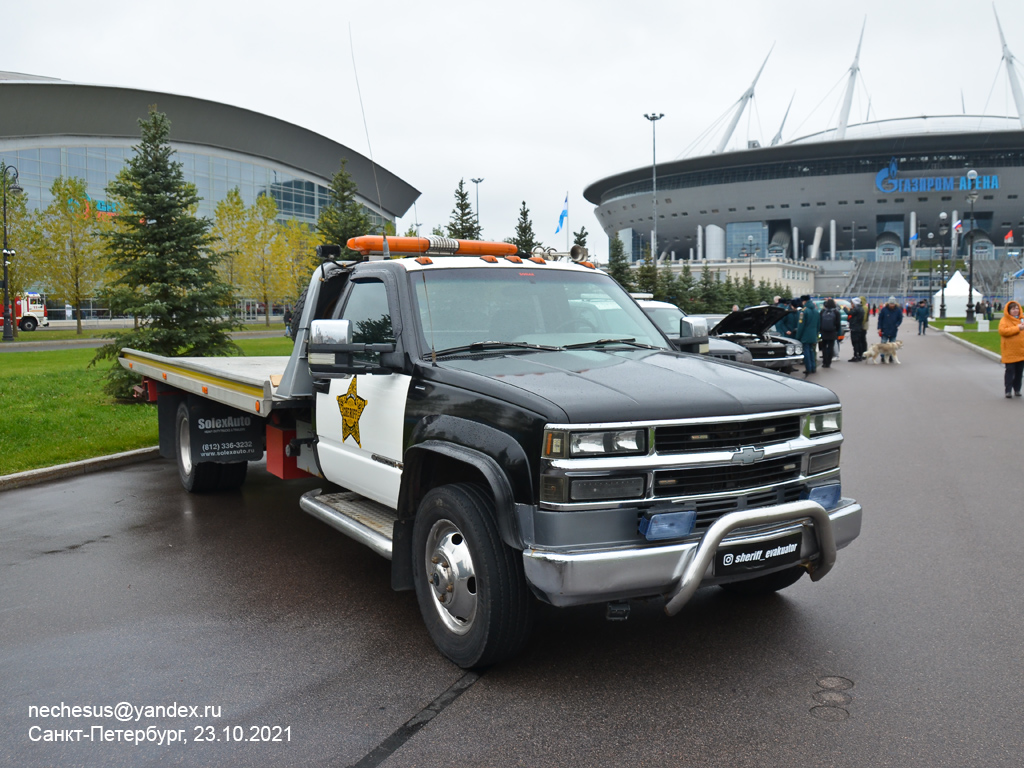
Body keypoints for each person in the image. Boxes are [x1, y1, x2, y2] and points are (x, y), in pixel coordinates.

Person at [998, 300, 1024, 398]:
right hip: (1009, 351)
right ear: (1008, 310)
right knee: (1010, 371)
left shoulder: (1022, 319)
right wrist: (1017, 328)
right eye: (1013, 309)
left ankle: (1017, 389)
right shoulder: (1004, 320)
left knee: (1019, 372)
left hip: (1021, 351)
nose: (1015, 311)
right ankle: (1008, 390)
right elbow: (1003, 331)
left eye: (1017, 308)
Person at [795, 294, 820, 375]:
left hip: (805, 335)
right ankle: (813, 367)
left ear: (804, 301)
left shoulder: (804, 311)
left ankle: (808, 368)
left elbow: (801, 325)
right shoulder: (816, 311)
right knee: (812, 351)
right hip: (813, 335)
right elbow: (818, 324)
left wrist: (798, 336)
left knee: (806, 352)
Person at [877, 296, 903, 363]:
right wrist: (879, 328)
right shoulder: (884, 310)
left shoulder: (898, 310)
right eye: (890, 304)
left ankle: (890, 356)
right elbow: (880, 319)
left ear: (895, 303)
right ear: (888, 303)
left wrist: (897, 324)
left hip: (893, 329)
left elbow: (900, 319)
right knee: (883, 343)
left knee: (892, 344)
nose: (891, 305)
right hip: (885, 328)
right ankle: (883, 356)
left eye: (893, 304)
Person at [818, 298, 840, 368]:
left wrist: (820, 330)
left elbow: (820, 321)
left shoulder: (823, 311)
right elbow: (838, 323)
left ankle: (824, 361)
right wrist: (836, 330)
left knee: (824, 347)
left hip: (824, 331)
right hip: (832, 331)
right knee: (830, 347)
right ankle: (828, 362)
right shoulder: (836, 312)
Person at [848, 296, 867, 361]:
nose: (851, 305)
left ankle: (856, 355)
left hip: (855, 327)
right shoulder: (861, 308)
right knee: (859, 342)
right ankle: (859, 355)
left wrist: (845, 308)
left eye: (852, 303)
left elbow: (849, 313)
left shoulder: (856, 309)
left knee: (855, 342)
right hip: (858, 327)